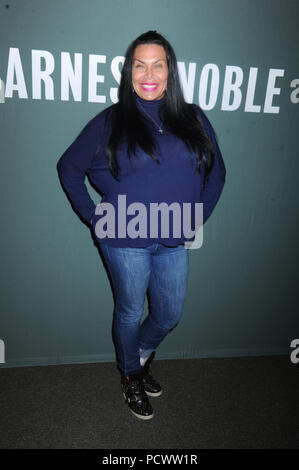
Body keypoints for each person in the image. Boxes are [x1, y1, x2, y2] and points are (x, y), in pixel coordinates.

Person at [57, 30, 226, 420]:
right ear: (129, 71)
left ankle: (140, 356)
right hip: (124, 240)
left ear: (170, 71)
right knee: (130, 312)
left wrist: (194, 218)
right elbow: (68, 167)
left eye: (158, 64)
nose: (148, 73)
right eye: (139, 65)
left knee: (168, 314)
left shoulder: (193, 117)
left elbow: (216, 175)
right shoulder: (110, 121)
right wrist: (93, 216)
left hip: (172, 239)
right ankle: (131, 374)